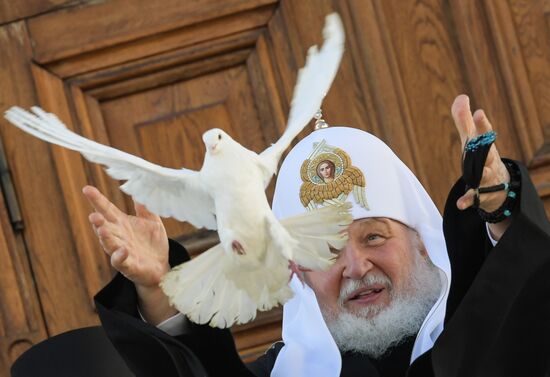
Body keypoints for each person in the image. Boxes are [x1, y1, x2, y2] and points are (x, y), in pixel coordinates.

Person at [86, 95, 550, 376]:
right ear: (298, 274)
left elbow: (522, 302)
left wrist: (501, 204)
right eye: (326, 251)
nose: (355, 266)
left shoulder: (484, 333)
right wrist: (158, 288)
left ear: (421, 240)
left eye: (373, 237)